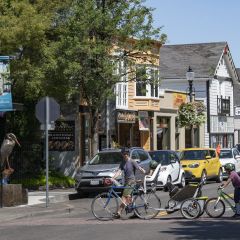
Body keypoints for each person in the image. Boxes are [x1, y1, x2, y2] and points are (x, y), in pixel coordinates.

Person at [112, 149, 146, 218]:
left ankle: (118, 213)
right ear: (122, 154)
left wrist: (143, 170)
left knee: (124, 197)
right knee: (129, 198)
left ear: (128, 154)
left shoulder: (132, 161)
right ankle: (136, 213)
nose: (125, 155)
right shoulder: (122, 162)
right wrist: (113, 178)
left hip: (131, 181)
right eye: (124, 154)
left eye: (126, 154)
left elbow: (138, 167)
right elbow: (119, 171)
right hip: (126, 182)